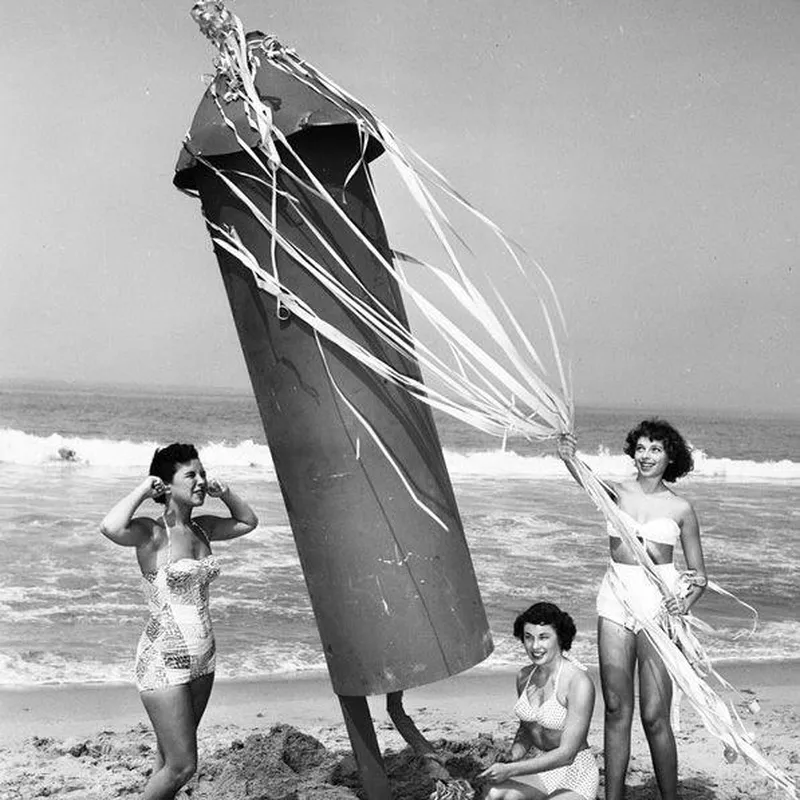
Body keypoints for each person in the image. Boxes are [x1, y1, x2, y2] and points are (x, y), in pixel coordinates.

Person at [557, 419, 707, 800]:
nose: (646, 455)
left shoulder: (681, 508)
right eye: (641, 448)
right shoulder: (616, 491)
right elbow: (581, 473)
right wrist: (567, 455)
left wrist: (683, 602)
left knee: (655, 715)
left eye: (655, 449)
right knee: (615, 709)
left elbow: (700, 577)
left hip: (658, 608)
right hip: (615, 598)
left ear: (670, 456)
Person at [100, 443, 258, 800]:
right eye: (192, 475)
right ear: (167, 485)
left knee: (167, 761)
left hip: (204, 659)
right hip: (162, 662)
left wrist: (226, 492)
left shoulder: (204, 530)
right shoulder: (152, 534)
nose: (201, 481)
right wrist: (144, 488)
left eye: (202, 473)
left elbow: (248, 521)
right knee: (183, 766)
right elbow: (110, 527)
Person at [479, 602, 599, 800]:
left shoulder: (578, 682)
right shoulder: (524, 676)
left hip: (575, 772)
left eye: (544, 637)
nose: (535, 646)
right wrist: (513, 755)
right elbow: (527, 729)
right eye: (528, 637)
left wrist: (510, 770)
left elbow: (567, 754)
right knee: (495, 794)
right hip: (543, 769)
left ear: (560, 638)